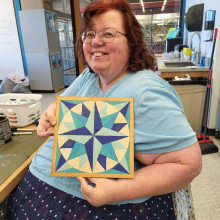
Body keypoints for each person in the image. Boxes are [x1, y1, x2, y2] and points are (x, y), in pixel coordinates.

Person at [7, 0, 202, 219]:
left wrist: (116, 191)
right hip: (40, 183)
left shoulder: (148, 92)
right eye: (89, 35)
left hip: (93, 204)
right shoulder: (89, 76)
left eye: (108, 34)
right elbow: (62, 103)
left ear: (132, 42)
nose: (96, 41)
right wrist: (51, 113)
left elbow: (188, 165)